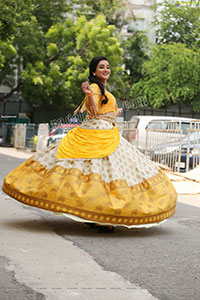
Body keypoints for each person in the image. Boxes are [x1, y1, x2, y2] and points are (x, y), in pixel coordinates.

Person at [2, 56, 177, 233]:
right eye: (102, 67)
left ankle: (98, 216)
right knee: (105, 171)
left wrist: (114, 113)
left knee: (104, 172)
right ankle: (102, 218)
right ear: (94, 71)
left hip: (105, 132)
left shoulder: (102, 88)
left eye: (108, 67)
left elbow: (100, 110)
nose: (106, 70)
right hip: (97, 133)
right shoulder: (94, 88)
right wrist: (89, 96)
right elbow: (92, 110)